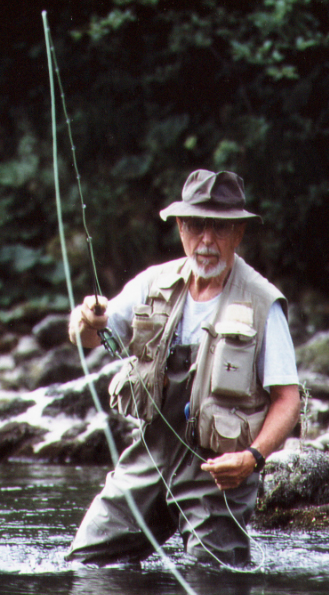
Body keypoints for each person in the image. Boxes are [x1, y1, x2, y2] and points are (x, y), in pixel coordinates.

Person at [66, 169, 300, 566]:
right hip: (148, 461)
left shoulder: (264, 303)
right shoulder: (152, 283)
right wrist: (87, 318)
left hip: (218, 476)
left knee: (211, 580)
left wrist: (252, 459)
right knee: (84, 565)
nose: (206, 240)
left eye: (219, 228)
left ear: (239, 233)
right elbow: (88, 336)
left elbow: (287, 400)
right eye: (195, 226)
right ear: (179, 227)